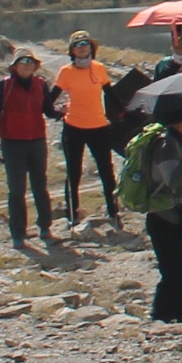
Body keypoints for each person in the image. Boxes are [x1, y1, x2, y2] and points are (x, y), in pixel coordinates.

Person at [121, 97, 182, 322]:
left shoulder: (180, 140)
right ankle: (161, 318)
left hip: (179, 215)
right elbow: (172, 179)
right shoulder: (167, 144)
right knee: (174, 273)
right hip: (165, 218)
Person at [0, 51, 67, 250]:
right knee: (16, 190)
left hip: (37, 140)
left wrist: (59, 113)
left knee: (40, 186)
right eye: (23, 62)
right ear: (15, 66)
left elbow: (46, 110)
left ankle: (45, 227)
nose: (27, 65)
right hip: (12, 142)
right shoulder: (4, 85)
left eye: (31, 62)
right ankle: (18, 233)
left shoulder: (40, 84)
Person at [50, 31, 123, 229]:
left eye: (86, 44)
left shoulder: (99, 68)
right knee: (74, 173)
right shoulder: (66, 72)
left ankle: (113, 212)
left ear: (92, 48)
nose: (83, 47)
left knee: (106, 171)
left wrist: (123, 114)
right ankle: (72, 215)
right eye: (78, 44)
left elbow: (111, 96)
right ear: (72, 50)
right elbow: (47, 103)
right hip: (73, 127)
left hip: (99, 126)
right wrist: (58, 113)